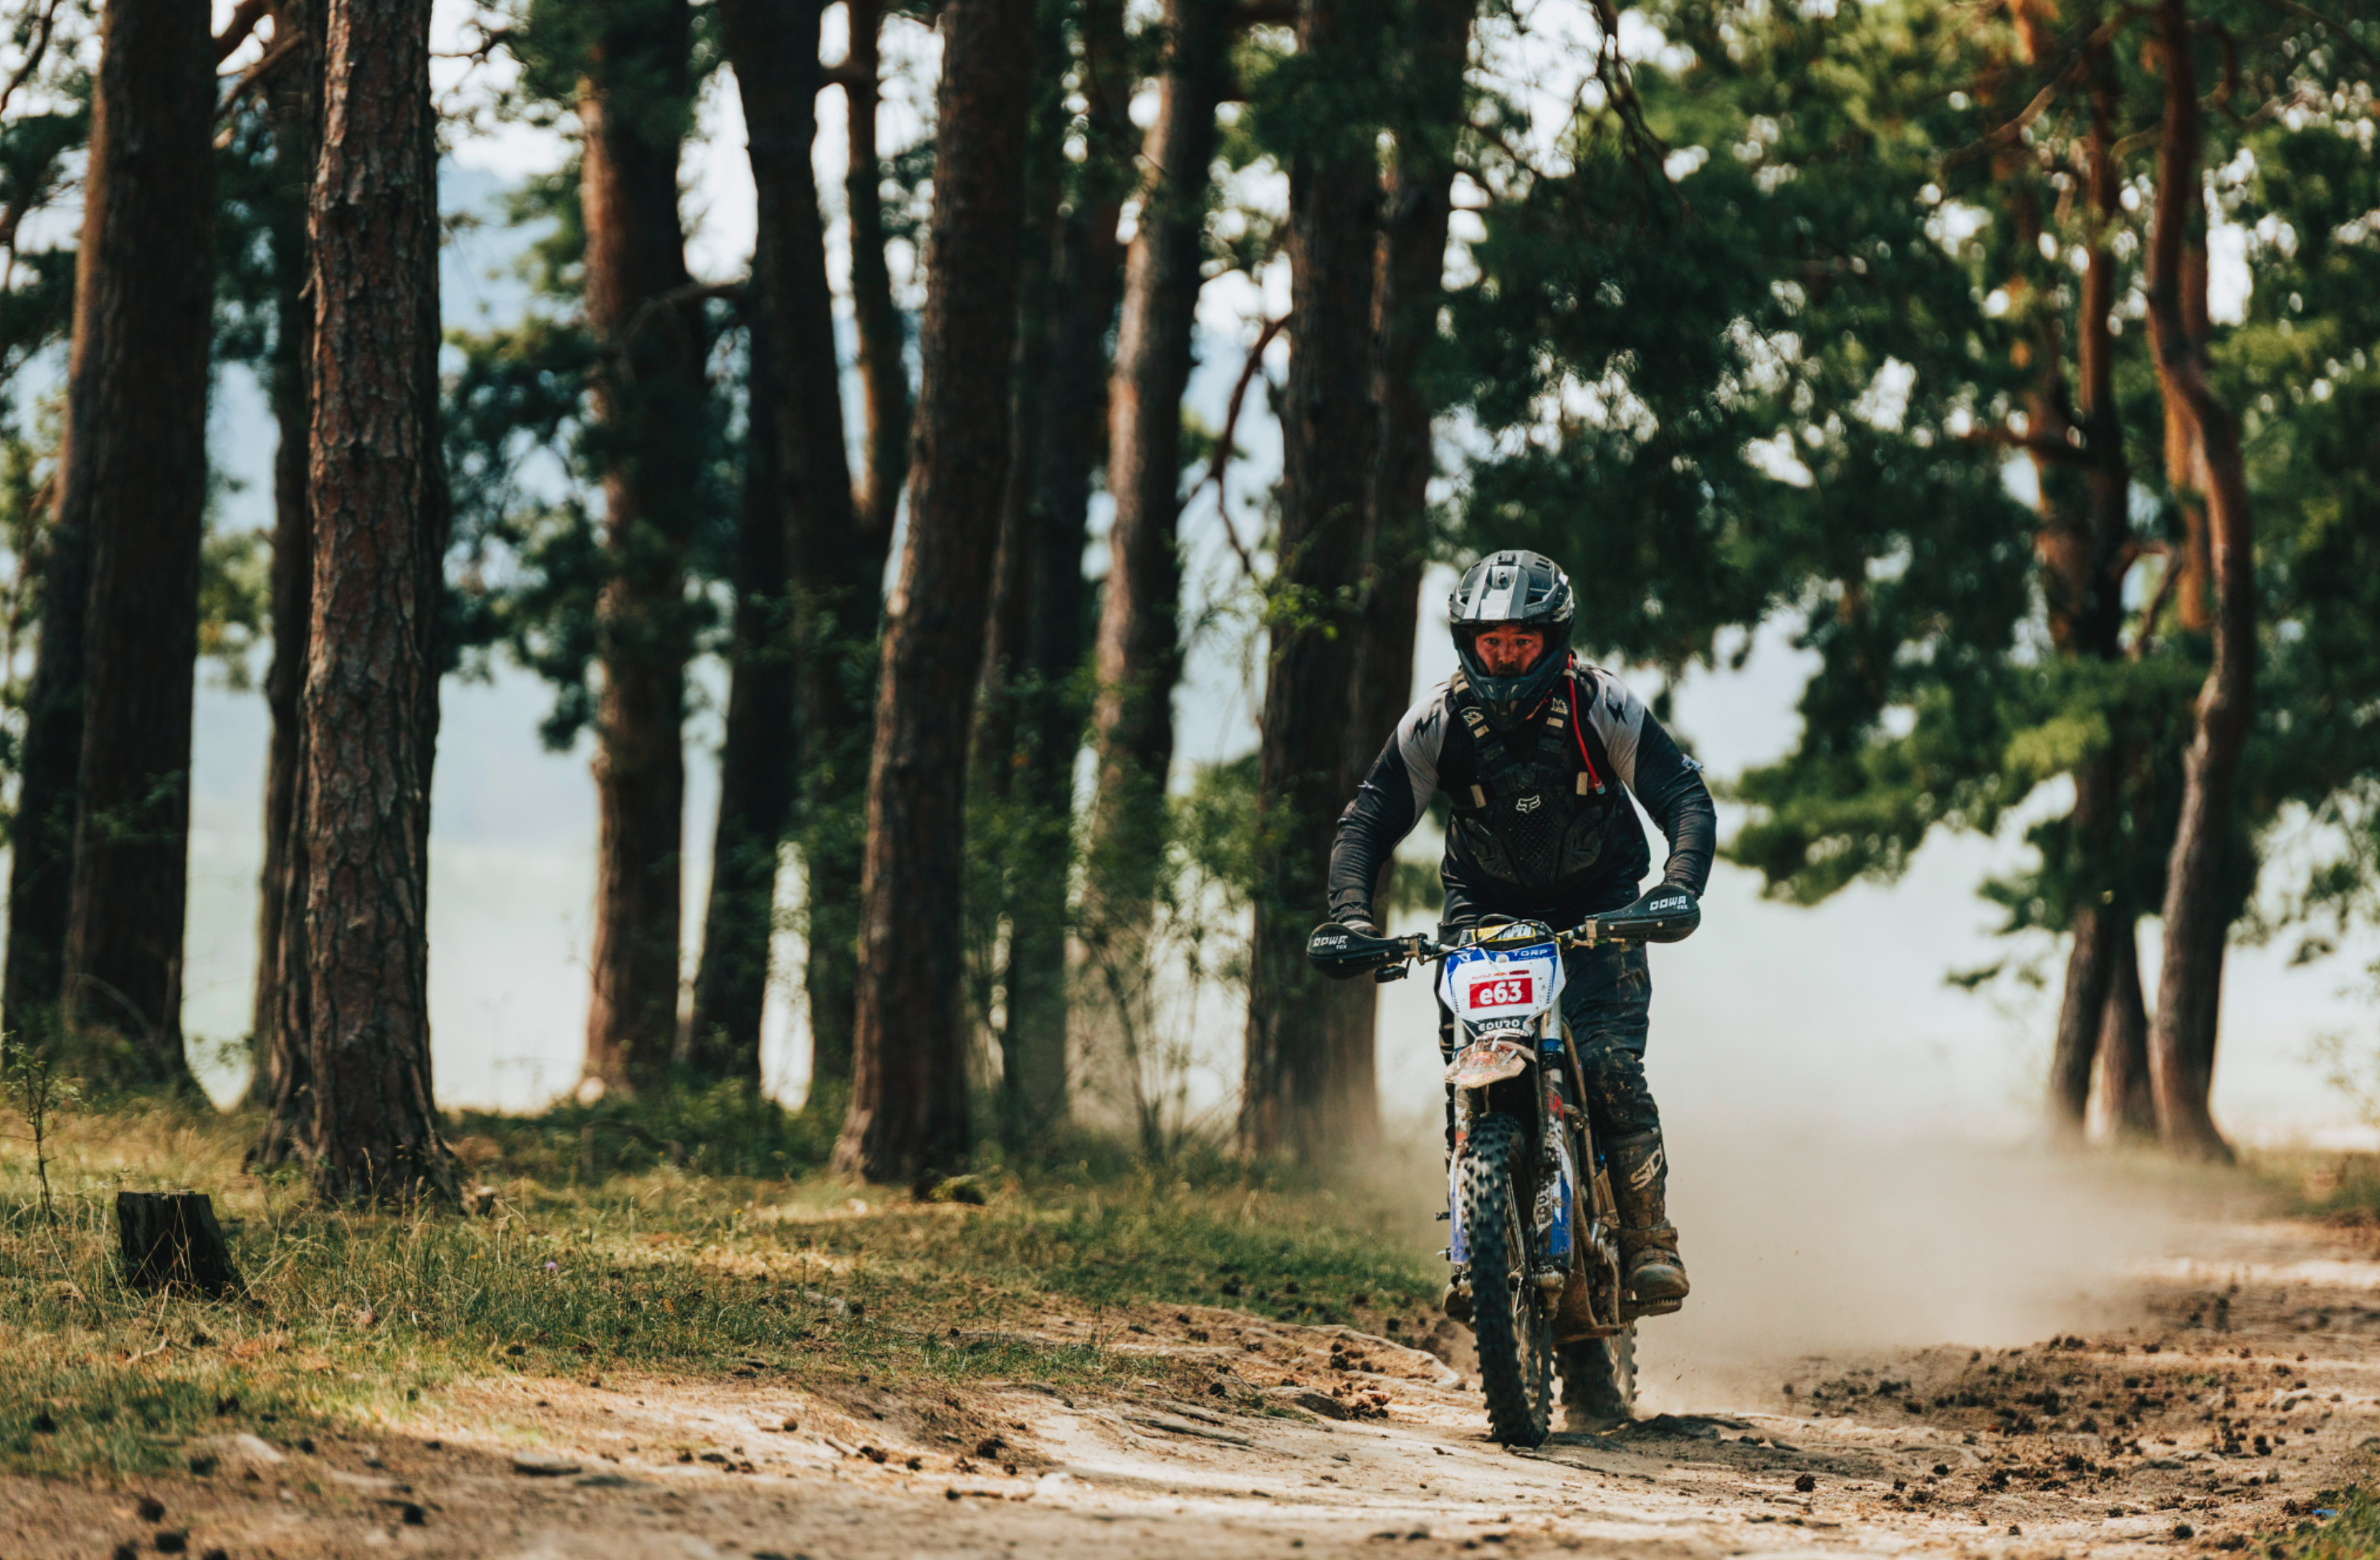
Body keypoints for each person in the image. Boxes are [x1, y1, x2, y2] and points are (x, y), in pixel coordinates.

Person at [1327, 549, 1716, 1311]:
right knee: (1468, 1071)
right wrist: (1349, 915)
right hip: (1482, 914)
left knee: (1606, 1065)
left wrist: (1676, 888)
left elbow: (1684, 798)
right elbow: (1367, 820)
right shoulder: (1436, 721)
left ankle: (1648, 1238)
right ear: (1465, 643)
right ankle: (1481, 1225)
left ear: (1553, 639)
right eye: (1490, 642)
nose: (1504, 658)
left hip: (1599, 911)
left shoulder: (1600, 703)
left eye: (1520, 643)